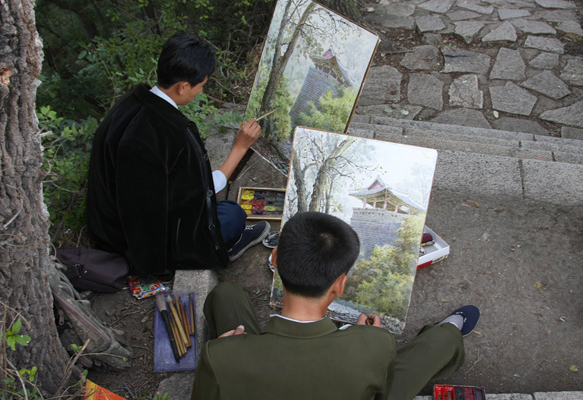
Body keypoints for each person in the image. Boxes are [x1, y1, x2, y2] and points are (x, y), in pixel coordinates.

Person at [192, 211, 480, 400]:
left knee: (226, 293)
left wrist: (228, 351)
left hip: (252, 372)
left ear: (275, 259)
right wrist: (365, 339)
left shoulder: (219, 356)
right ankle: (449, 332)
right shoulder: (374, 345)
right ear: (340, 285)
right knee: (440, 341)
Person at [86, 32, 270, 279]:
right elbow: (201, 193)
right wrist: (240, 147)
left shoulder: (129, 103)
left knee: (223, 211)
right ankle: (229, 245)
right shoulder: (171, 134)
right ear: (183, 86)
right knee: (232, 214)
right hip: (140, 246)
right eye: (202, 86)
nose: (201, 92)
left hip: (108, 227)